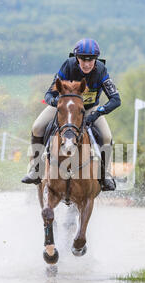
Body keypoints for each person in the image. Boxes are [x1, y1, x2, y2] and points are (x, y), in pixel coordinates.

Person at [21, 38, 121, 191]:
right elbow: (49, 94)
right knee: (37, 127)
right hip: (65, 107)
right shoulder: (68, 66)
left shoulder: (101, 70)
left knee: (107, 137)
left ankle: (105, 175)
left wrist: (97, 114)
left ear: (96, 59)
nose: (87, 64)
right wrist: (58, 103)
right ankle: (35, 169)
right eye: (82, 59)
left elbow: (116, 100)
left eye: (91, 60)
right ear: (76, 58)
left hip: (90, 109)